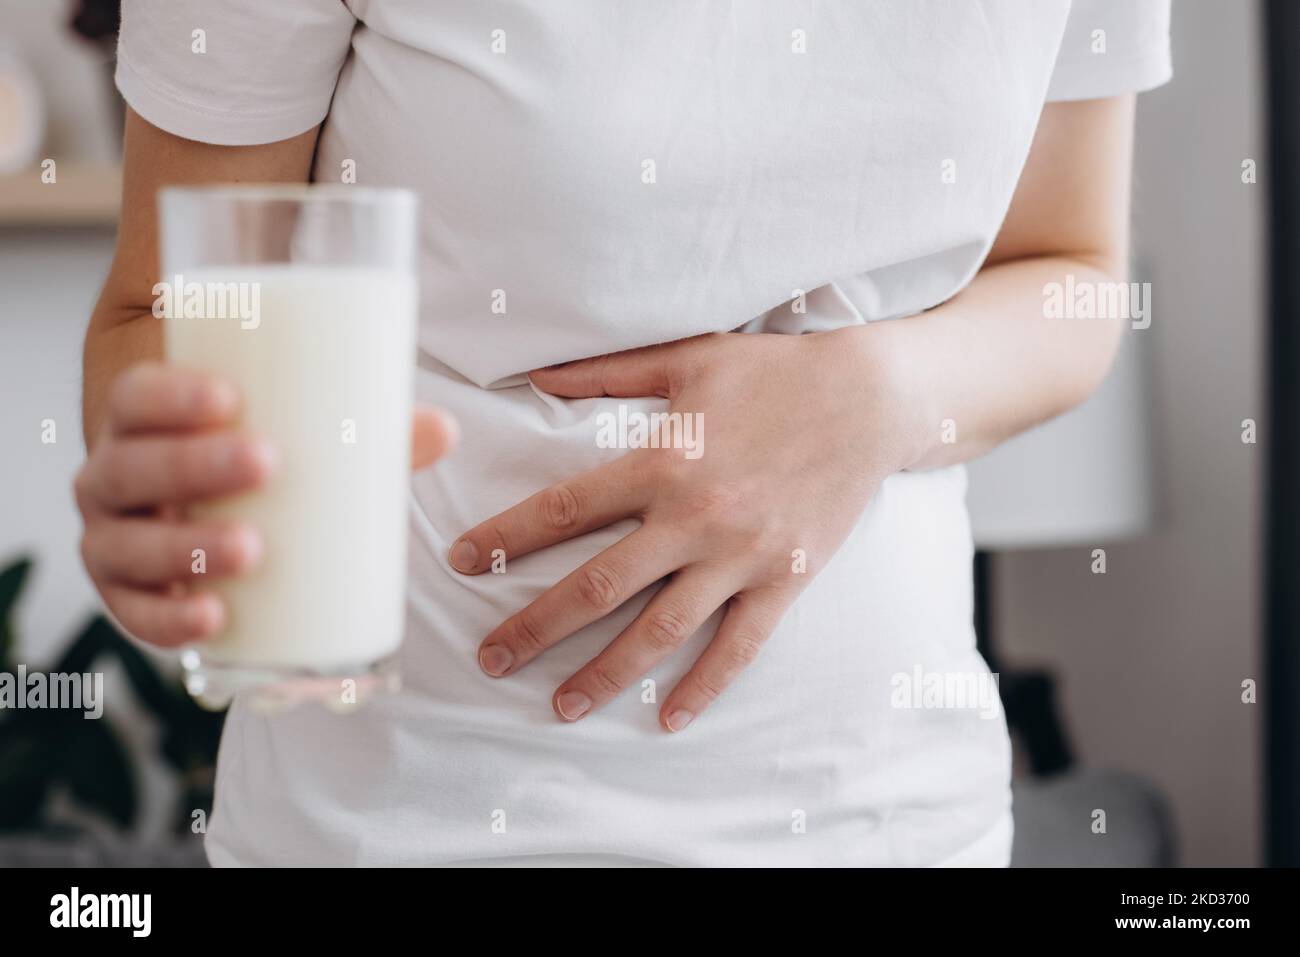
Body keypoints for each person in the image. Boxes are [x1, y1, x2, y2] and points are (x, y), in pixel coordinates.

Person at [76, 0, 1172, 866]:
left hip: (885, 815)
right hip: (403, 819)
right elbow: (167, 318)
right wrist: (183, 510)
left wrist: (871, 391)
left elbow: (1068, 272)